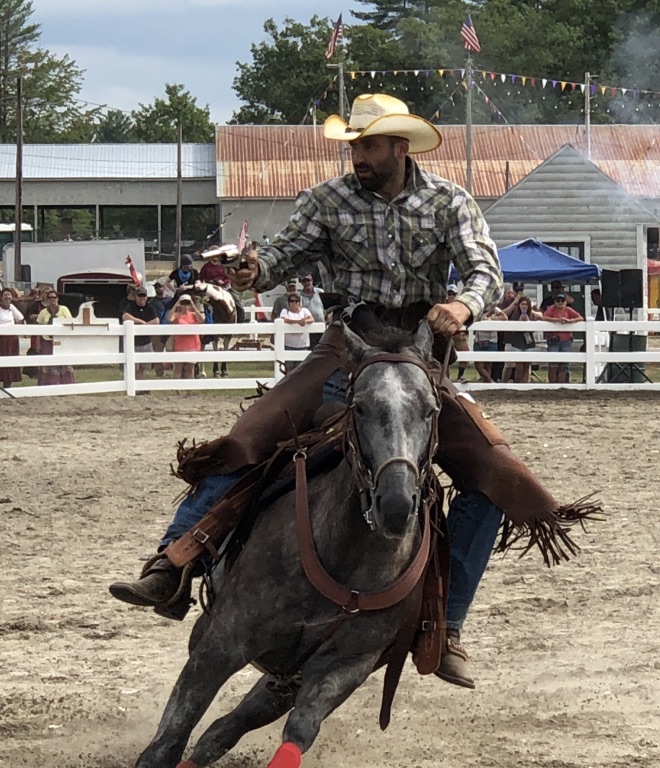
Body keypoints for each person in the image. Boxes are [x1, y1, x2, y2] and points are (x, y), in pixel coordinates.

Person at [109, 93, 578, 692]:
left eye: (368, 145)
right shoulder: (326, 200)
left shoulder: (450, 201)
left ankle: (445, 622)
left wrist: (463, 305)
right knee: (248, 438)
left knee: (499, 476)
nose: (357, 155)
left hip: (419, 357)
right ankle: (175, 561)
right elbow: (280, 258)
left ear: (400, 148)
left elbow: (485, 270)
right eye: (354, 145)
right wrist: (254, 271)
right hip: (344, 349)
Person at [34, 290, 75, 385]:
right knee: (48, 362)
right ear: (47, 300)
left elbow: (70, 324)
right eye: (50, 298)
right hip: (47, 341)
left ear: (57, 299)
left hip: (62, 341)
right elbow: (38, 329)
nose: (52, 299)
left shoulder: (64, 309)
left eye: (54, 297)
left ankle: (65, 383)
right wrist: (38, 343)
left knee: (63, 362)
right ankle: (47, 384)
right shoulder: (43, 312)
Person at [542, 292, 583, 383]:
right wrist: (557, 320)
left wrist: (570, 321)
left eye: (562, 301)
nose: (560, 303)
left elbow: (580, 318)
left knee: (563, 365)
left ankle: (561, 385)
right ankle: (553, 385)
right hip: (554, 340)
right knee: (553, 365)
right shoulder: (552, 309)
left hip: (566, 340)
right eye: (558, 301)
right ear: (555, 302)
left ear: (565, 302)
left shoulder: (568, 310)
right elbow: (544, 317)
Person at [122, 287, 161, 379]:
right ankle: (132, 383)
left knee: (143, 367)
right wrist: (141, 322)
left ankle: (140, 383)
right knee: (132, 366)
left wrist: (146, 325)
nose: (142, 298)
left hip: (146, 341)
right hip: (133, 342)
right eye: (140, 295)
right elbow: (125, 316)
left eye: (144, 295)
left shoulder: (150, 307)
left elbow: (156, 321)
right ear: (135, 296)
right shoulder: (131, 307)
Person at [505, 296, 543, 383]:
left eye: (526, 304)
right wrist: (519, 322)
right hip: (517, 342)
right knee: (519, 366)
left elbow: (534, 329)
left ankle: (525, 383)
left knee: (527, 365)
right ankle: (518, 383)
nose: (524, 306)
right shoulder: (515, 314)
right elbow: (512, 330)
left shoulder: (532, 315)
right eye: (522, 304)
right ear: (519, 305)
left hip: (528, 342)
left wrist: (528, 322)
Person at [167, 295, 203, 379]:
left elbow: (201, 320)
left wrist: (193, 305)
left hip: (192, 345)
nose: (185, 305)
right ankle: (177, 388)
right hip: (180, 346)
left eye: (187, 303)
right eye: (183, 303)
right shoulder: (177, 315)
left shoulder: (194, 315)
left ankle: (190, 387)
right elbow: (169, 319)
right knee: (178, 369)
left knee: (190, 369)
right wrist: (176, 305)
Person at [279, 292, 314, 372]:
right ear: (289, 302)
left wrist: (304, 321)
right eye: (292, 301)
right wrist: (298, 322)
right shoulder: (285, 311)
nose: (294, 303)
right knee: (289, 368)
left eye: (296, 301)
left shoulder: (304, 311)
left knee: (301, 369)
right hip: (289, 344)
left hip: (302, 344)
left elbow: (312, 319)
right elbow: (285, 320)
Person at [472, 305, 506, 383]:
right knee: (478, 365)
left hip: (491, 340)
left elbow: (504, 317)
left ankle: (486, 383)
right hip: (478, 340)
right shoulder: (477, 307)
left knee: (488, 365)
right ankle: (490, 381)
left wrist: (492, 319)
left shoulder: (494, 308)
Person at [0, 287, 24, 388]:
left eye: (9, 295)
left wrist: (15, 329)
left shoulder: (12, 307)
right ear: (1, 297)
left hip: (11, 340)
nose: (7, 297)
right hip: (1, 339)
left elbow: (20, 318)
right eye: (5, 295)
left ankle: (7, 387)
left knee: (10, 363)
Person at [447, 284, 470, 381]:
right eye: (449, 294)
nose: (451, 296)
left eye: (453, 294)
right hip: (446, 333)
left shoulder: (460, 305)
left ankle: (460, 376)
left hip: (458, 334)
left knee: (465, 353)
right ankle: (446, 378)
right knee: (444, 356)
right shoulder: (443, 305)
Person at [299, 274, 326, 347]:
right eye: (304, 281)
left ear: (312, 281)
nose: (306, 283)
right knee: (311, 349)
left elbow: (329, 307)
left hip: (322, 327)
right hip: (308, 329)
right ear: (301, 283)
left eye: (308, 280)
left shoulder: (321, 292)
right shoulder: (299, 296)